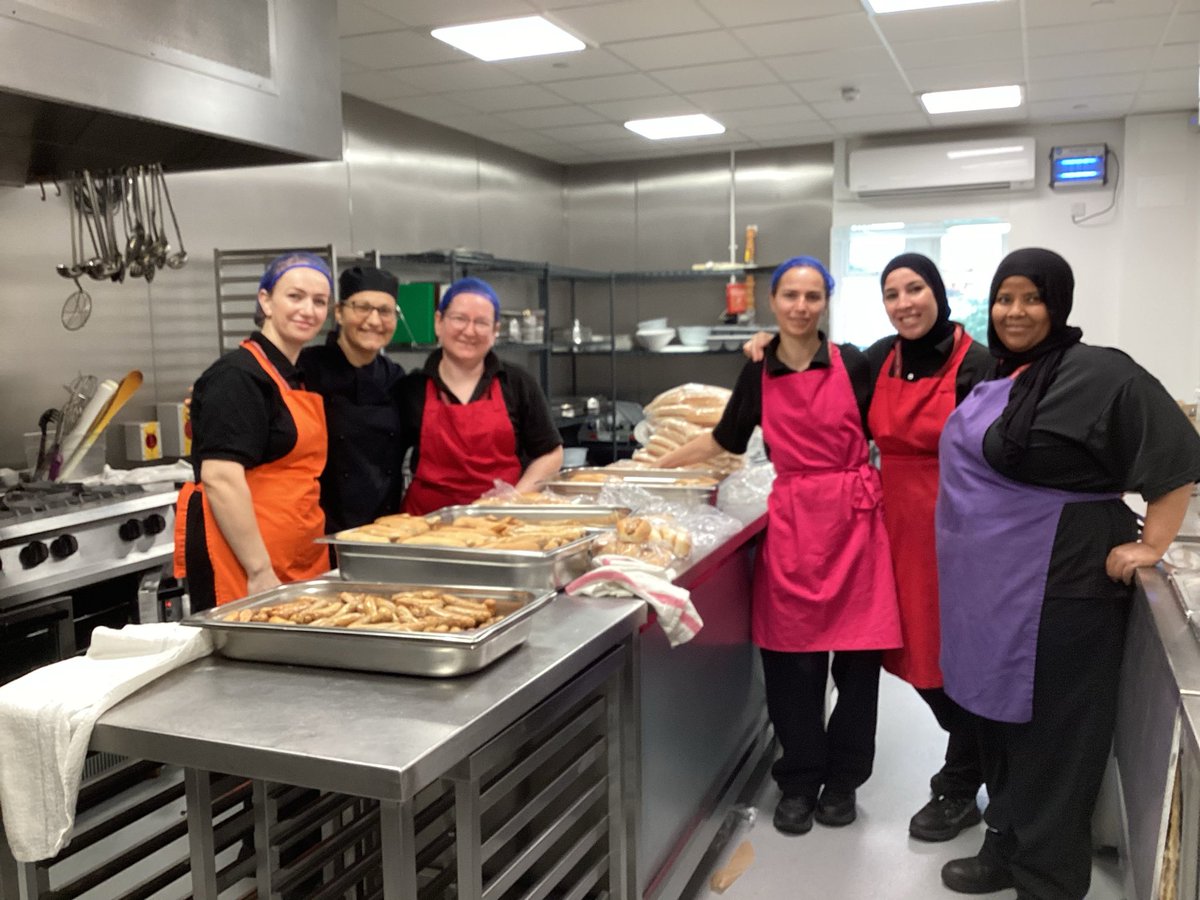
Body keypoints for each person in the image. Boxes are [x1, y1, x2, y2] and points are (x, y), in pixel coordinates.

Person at [935, 248, 1200, 899]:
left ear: (1059, 303)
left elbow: (1176, 459)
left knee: (1056, 740)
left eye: (1032, 297)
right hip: (987, 592)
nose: (1015, 311)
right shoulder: (996, 379)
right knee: (996, 726)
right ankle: (1006, 844)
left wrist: (1152, 544)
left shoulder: (1102, 374)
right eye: (1004, 298)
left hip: (1064, 585)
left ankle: (1047, 880)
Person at [744, 253, 992, 841]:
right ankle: (808, 780)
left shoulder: (964, 363)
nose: (905, 302)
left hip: (937, 529)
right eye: (892, 292)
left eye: (916, 288)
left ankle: (952, 779)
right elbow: (754, 415)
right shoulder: (880, 358)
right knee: (840, 661)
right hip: (857, 526)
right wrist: (766, 344)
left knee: (923, 663)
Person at [659, 256, 901, 835]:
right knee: (792, 664)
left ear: (827, 302)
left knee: (859, 665)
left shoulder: (859, 363)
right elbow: (725, 439)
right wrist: (655, 468)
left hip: (856, 523)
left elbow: (904, 392)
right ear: (773, 302)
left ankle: (843, 781)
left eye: (813, 296)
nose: (801, 306)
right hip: (793, 524)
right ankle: (798, 780)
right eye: (791, 296)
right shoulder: (757, 369)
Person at [175, 251, 332, 610]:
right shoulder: (237, 376)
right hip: (247, 565)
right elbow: (221, 477)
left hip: (294, 557)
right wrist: (259, 568)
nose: (308, 310)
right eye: (295, 296)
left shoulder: (293, 376)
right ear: (266, 300)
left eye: (319, 301)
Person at [397, 277, 563, 514]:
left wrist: (513, 501)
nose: (469, 331)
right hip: (426, 530)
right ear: (438, 322)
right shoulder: (411, 389)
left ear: (495, 330)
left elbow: (551, 454)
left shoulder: (517, 383)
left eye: (481, 322)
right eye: (459, 319)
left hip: (501, 527)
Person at [300, 265, 410, 534]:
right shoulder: (305, 370)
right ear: (339, 312)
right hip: (321, 530)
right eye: (362, 308)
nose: (374, 321)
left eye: (385, 311)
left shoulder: (395, 377)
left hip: (383, 528)